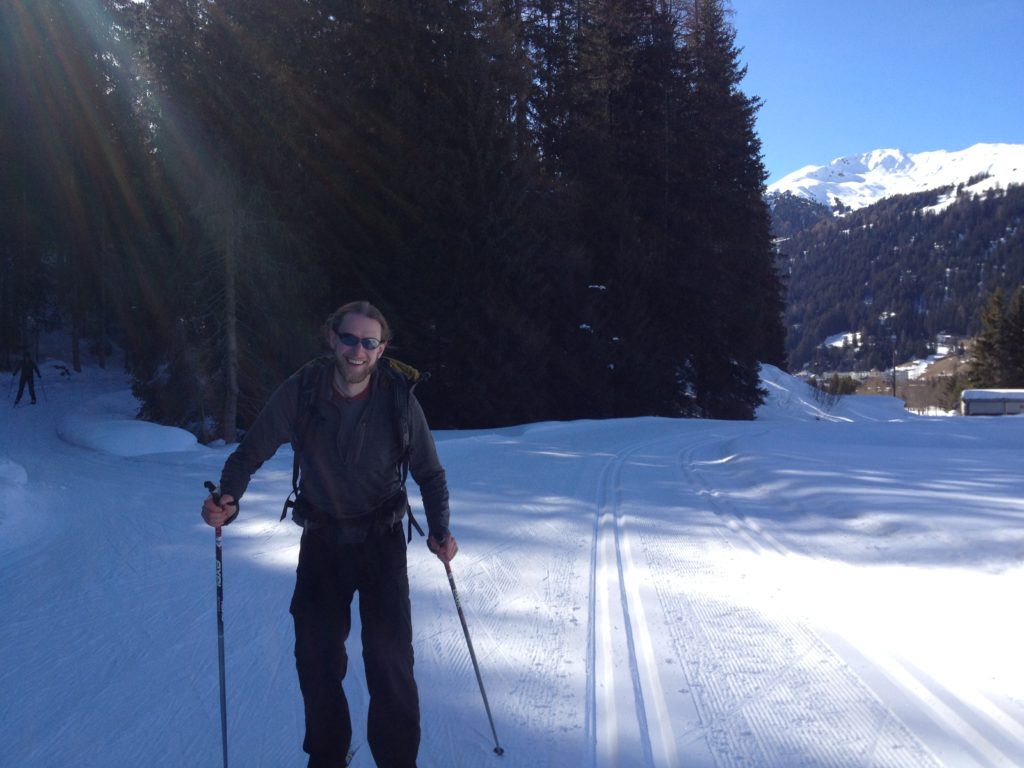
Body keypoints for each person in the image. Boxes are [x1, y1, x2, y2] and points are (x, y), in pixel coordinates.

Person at [202, 301, 457, 768]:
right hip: (322, 541)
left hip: (381, 541)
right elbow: (250, 452)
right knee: (316, 661)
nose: (356, 350)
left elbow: (430, 473)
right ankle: (327, 757)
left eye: (368, 342)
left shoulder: (399, 398)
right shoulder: (302, 391)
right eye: (348, 339)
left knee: (390, 662)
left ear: (381, 350)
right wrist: (228, 500)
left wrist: (440, 529)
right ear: (331, 339)